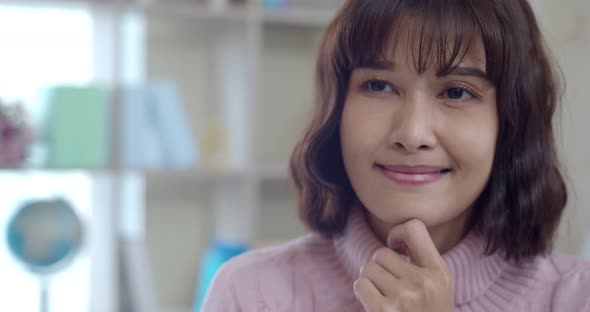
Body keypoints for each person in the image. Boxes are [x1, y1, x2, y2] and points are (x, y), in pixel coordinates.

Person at [201, 0, 590, 311]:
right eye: (379, 85)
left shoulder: (575, 297)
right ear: (337, 111)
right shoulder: (251, 295)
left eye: (456, 92)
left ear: (510, 121)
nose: (412, 134)